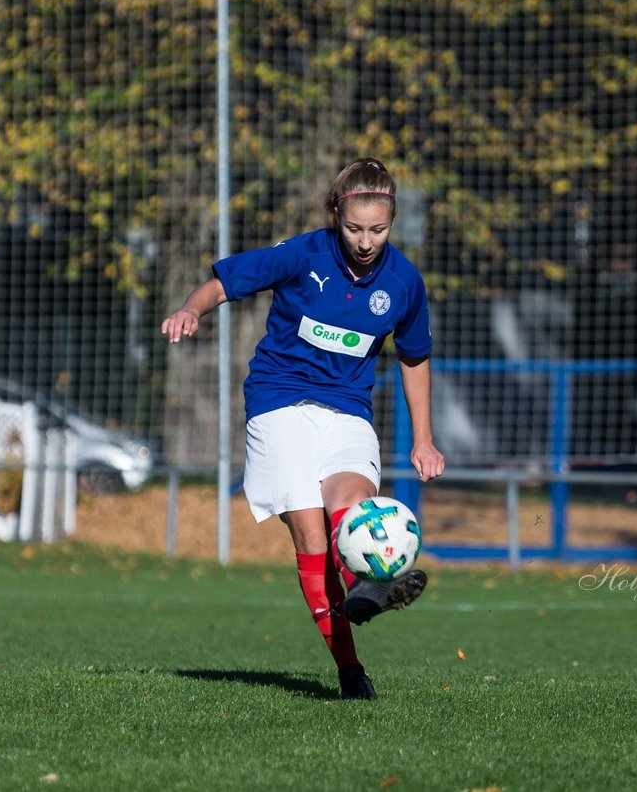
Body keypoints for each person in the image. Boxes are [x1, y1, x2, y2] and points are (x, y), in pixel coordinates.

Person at [161, 158, 445, 700]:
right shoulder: (304, 253)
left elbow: (414, 357)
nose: (365, 242)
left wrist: (424, 437)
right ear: (337, 214)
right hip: (279, 402)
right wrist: (190, 310)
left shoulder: (405, 282)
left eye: (378, 230)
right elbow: (225, 283)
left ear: (393, 222)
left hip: (347, 410)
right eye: (355, 228)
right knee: (312, 536)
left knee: (355, 503)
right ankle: (350, 670)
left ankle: (372, 582)